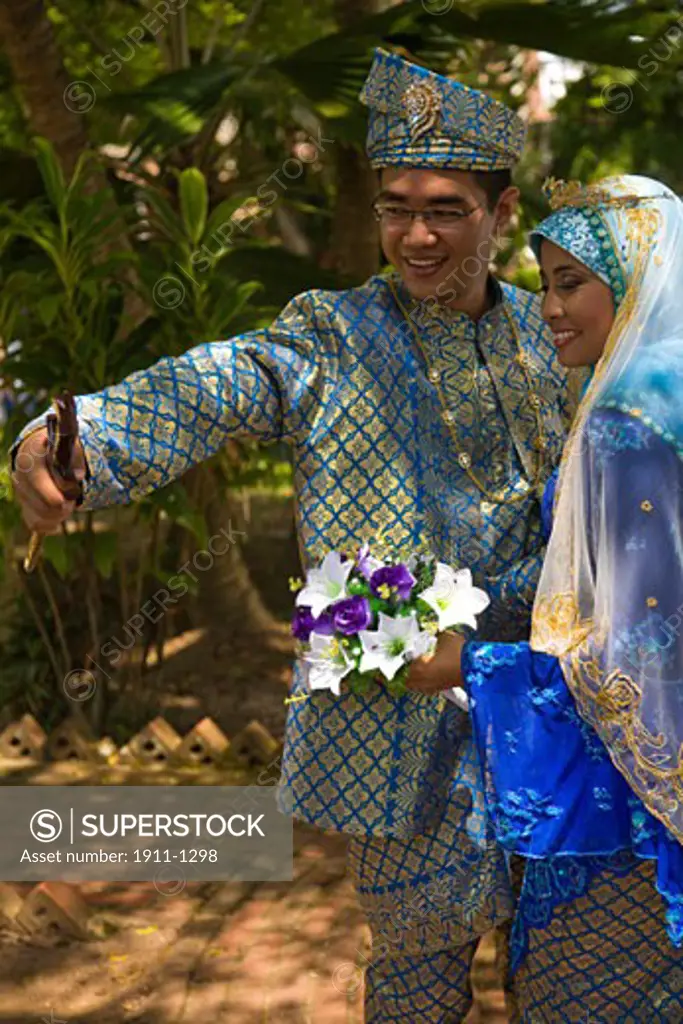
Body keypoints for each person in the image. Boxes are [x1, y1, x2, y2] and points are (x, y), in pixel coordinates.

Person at [10, 49, 579, 1021]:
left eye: (445, 208)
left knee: (570, 977)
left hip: (550, 702)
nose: (413, 235)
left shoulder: (553, 332)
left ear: (501, 208)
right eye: (396, 206)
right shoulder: (332, 334)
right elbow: (217, 382)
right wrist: (67, 437)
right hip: (404, 712)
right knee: (415, 979)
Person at [430, 173, 683, 1020]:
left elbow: (639, 661)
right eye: (543, 284)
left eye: (571, 282)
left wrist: (465, 661)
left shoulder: (624, 418)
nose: (549, 307)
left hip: (629, 819)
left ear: (639, 275)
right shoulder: (664, 386)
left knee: (582, 996)